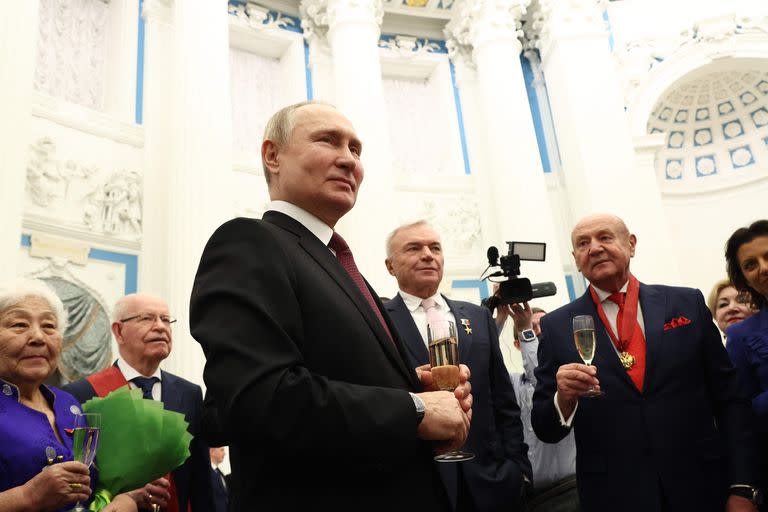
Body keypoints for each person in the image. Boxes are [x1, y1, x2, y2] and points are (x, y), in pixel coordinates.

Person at [189, 101, 472, 510]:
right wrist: (412, 408)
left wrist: (417, 390)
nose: (348, 160)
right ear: (273, 155)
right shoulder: (248, 243)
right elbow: (260, 399)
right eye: (328, 141)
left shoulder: (338, 263)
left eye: (356, 150)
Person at [531, 213, 760, 512]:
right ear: (576, 260)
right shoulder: (556, 326)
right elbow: (545, 428)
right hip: (614, 496)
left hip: (704, 486)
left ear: (631, 244)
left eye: (605, 237)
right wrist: (563, 398)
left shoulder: (686, 304)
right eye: (583, 244)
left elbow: (730, 401)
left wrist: (742, 486)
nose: (595, 248)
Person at [383, 221, 531, 512]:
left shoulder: (477, 317)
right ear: (390, 265)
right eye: (414, 248)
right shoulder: (377, 321)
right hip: (419, 487)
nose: (427, 254)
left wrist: (519, 471)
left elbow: (504, 404)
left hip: (492, 485)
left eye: (434, 248)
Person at [64, 294, 213, 512]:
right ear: (119, 331)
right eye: (147, 318)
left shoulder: (189, 393)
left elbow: (200, 483)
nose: (161, 327)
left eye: (166, 319)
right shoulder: (81, 394)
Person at [0, 278, 137, 512]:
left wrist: (122, 499)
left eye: (49, 326)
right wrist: (26, 496)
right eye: (19, 325)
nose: (38, 337)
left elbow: (92, 489)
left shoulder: (68, 404)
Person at [495, 300, 579, 512]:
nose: (539, 333)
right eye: (534, 329)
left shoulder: (570, 380)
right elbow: (483, 371)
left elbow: (544, 379)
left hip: (571, 491)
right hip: (529, 499)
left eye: (546, 329)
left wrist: (525, 330)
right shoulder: (512, 384)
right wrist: (495, 323)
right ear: (519, 346)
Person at [725, 219, 768, 507]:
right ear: (744, 278)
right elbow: (741, 416)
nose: (763, 267)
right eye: (751, 264)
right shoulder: (741, 336)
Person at [209, 447, 228, 512]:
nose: (224, 453)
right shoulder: (206, 474)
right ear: (212, 451)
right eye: (221, 450)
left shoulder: (220, 473)